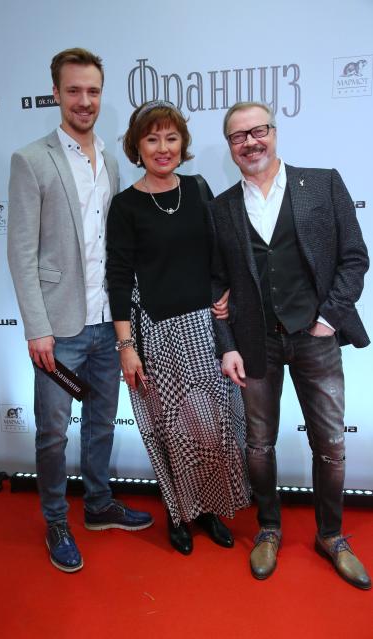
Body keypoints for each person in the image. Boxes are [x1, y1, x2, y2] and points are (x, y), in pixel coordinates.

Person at [209, 100, 371, 589]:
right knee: (259, 445)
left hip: (316, 338)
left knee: (332, 444)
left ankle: (331, 535)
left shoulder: (322, 184)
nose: (250, 142)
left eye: (258, 131)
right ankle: (269, 528)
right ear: (230, 147)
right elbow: (216, 282)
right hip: (255, 343)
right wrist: (227, 345)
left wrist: (328, 318)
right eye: (238, 136)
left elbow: (354, 258)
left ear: (274, 133)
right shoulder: (221, 208)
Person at [7, 48, 153, 573]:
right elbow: (21, 252)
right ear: (56, 94)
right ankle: (55, 520)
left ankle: (97, 504)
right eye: (74, 90)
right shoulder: (31, 159)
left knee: (100, 422)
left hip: (106, 324)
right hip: (59, 330)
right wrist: (37, 328)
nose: (84, 101)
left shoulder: (110, 161)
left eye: (92, 91)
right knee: (53, 432)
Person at [106, 100, 250, 555]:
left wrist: (225, 292)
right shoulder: (125, 206)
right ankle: (178, 513)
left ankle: (210, 508)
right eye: (152, 139)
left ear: (182, 144)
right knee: (170, 430)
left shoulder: (199, 188)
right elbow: (118, 277)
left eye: (171, 138)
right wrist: (126, 346)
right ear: (137, 146)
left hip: (205, 328)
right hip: (156, 333)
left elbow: (220, 252)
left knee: (212, 427)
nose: (163, 148)